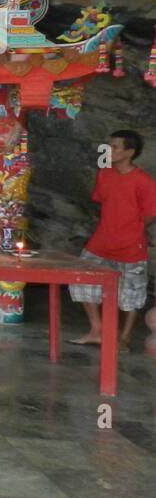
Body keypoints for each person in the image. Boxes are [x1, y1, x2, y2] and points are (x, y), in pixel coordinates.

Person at [69, 129, 156, 350]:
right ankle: (97, 329)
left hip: (130, 246)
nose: (109, 150)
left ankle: (124, 338)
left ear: (129, 152)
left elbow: (149, 215)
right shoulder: (104, 173)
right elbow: (102, 200)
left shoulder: (144, 182)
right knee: (80, 280)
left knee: (130, 294)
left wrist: (130, 230)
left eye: (115, 147)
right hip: (100, 241)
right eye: (108, 145)